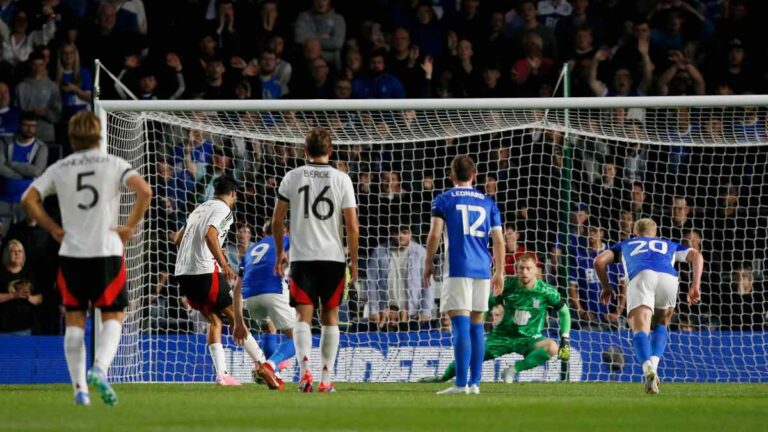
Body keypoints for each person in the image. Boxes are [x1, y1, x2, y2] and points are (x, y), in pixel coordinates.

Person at [20, 111, 152, 406]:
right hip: (106, 250)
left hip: (72, 253)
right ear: (99, 134)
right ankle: (100, 369)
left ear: (72, 136)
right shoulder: (113, 163)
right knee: (114, 316)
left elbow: (28, 198)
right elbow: (145, 191)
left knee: (75, 321)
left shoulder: (61, 167)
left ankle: (80, 390)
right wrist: (129, 227)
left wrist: (53, 228)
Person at [269, 128, 358, 393]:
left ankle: (305, 374)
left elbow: (276, 221)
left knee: (302, 318)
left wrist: (279, 253)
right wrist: (353, 260)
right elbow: (352, 225)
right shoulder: (342, 179)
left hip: (302, 258)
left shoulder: (292, 177)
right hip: (333, 258)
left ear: (305, 151)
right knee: (330, 316)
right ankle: (326, 379)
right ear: (330, 152)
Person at [423, 155, 505, 395]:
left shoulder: (444, 199)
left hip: (457, 269)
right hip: (482, 269)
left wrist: (428, 262)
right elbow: (498, 240)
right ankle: (475, 384)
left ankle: (460, 384)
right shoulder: (488, 203)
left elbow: (435, 234)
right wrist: (499, 272)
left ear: (451, 176)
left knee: (460, 326)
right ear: (474, 175)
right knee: (477, 327)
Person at [173, 175, 266, 387]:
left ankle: (222, 374)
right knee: (236, 319)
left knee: (215, 321)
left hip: (183, 273)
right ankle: (262, 362)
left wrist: (207, 251)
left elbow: (178, 239)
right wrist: (223, 262)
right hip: (204, 272)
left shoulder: (199, 208)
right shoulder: (224, 210)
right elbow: (210, 235)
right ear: (232, 194)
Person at [421, 254, 571, 383]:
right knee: (471, 354)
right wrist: (477, 330)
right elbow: (486, 305)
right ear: (517, 269)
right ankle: (443, 378)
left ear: (536, 270)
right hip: (502, 336)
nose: (524, 272)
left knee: (552, 347)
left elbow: (564, 312)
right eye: (521, 268)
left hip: (530, 338)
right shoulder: (507, 285)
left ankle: (512, 370)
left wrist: (564, 338)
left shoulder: (547, 291)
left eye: (528, 268)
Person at [594, 218, 704, 395]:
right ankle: (654, 365)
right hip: (668, 278)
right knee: (661, 323)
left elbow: (599, 261)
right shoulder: (668, 244)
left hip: (642, 275)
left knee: (640, 329)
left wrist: (607, 287)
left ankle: (647, 368)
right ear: (655, 233)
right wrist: (695, 285)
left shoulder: (626, 244)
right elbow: (697, 256)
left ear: (635, 233)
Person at [232, 222, 296, 390]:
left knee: (269, 329)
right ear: (285, 231)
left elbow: (237, 288)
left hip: (250, 297)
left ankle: (275, 378)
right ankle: (269, 366)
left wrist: (238, 321)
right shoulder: (285, 242)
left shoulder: (250, 251)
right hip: (273, 289)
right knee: (298, 337)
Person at [0, 240, 42, 335]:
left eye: (20, 251)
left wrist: (30, 297)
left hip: (25, 328)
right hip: (3, 329)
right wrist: (14, 295)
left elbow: (39, 298)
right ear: (7, 254)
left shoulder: (30, 273)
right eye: (13, 251)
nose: (17, 254)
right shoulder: (1, 273)